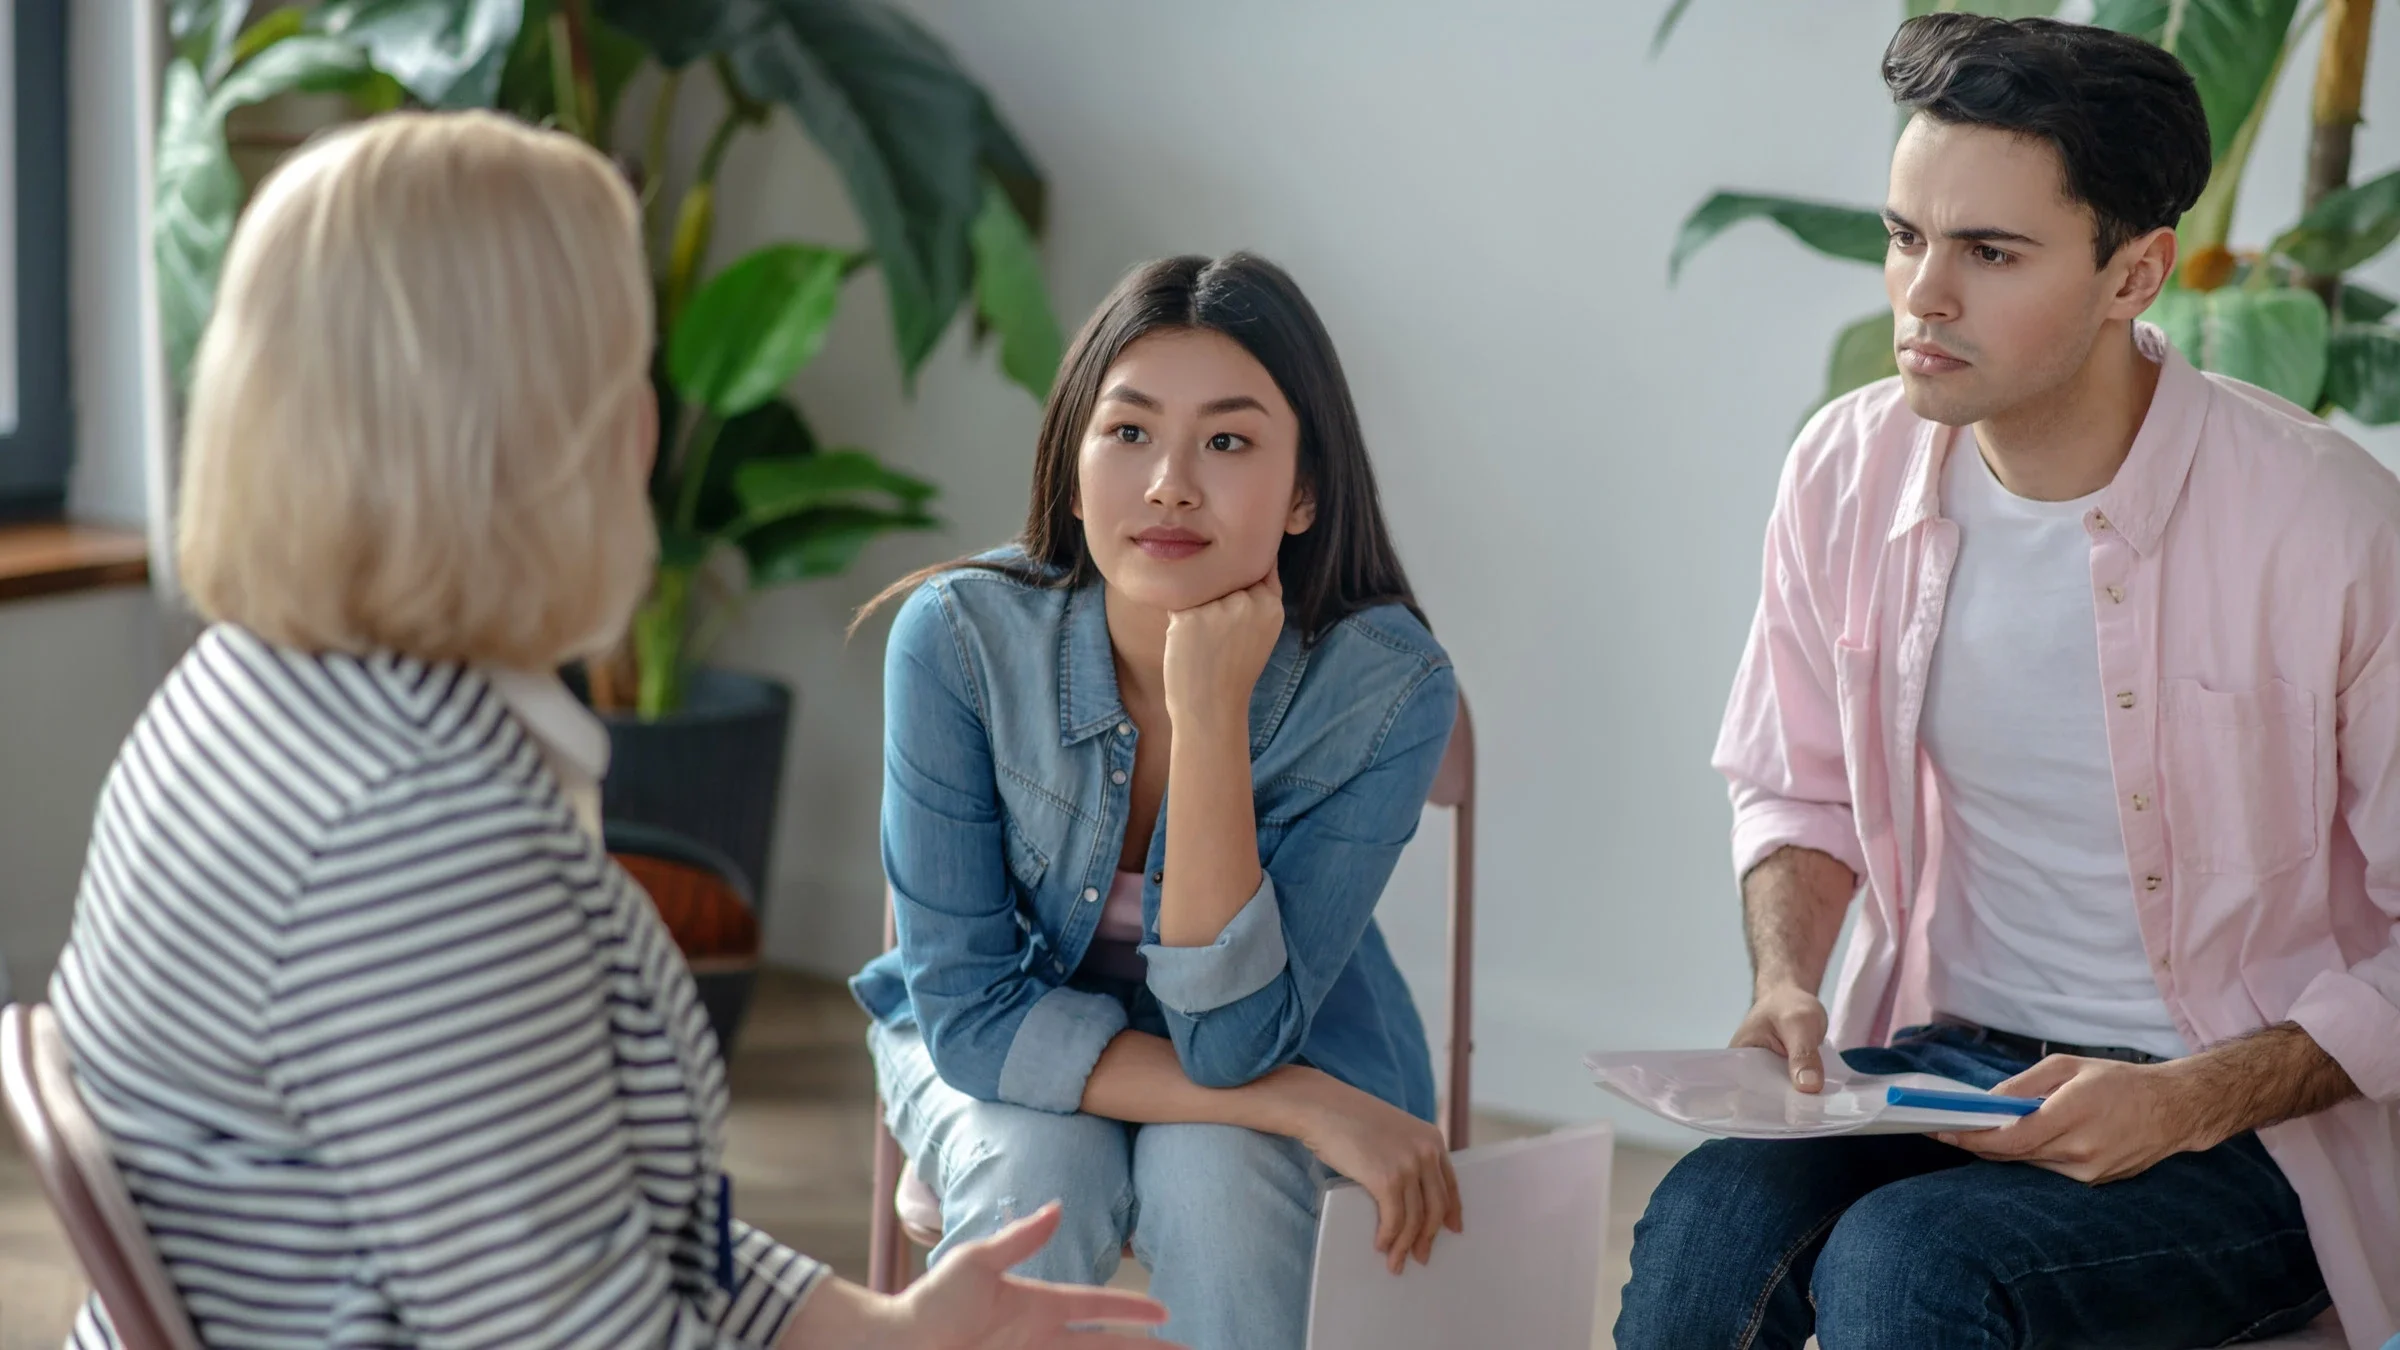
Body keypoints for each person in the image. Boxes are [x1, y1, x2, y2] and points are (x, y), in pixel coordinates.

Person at [51, 110, 1171, 1350]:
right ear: (544, 438)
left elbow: (586, 1228)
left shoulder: (252, 693)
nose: (649, 419)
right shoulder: (419, 843)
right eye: (623, 371)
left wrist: (870, 1329)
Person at [1619, 15, 2399, 1350]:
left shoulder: (2325, 523)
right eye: (1907, 233)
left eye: (1988, 252)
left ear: (2132, 274)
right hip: (1940, 1068)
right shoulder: (1845, 471)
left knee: (1909, 1265)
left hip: (2246, 1122)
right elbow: (1794, 783)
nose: (1921, 294)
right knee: (1706, 1225)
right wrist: (1790, 973)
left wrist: (2188, 1097)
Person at [849, 252, 1463, 1350]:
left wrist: (1211, 715)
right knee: (1041, 1163)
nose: (1170, 482)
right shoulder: (955, 642)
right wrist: (1301, 1105)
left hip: (1284, 1040)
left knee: (1215, 1176)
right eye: (1128, 432)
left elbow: (1234, 1043)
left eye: (1227, 441)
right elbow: (978, 1019)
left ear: (1306, 491)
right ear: (1073, 465)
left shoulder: (1387, 687)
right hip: (1007, 1051)